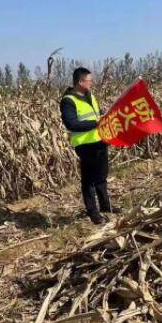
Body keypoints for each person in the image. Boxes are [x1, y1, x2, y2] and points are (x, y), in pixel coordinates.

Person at [59, 67, 121, 224]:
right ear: (80, 82)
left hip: (100, 141)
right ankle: (93, 212)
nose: (91, 83)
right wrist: (95, 123)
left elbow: (97, 114)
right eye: (89, 80)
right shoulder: (68, 101)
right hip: (85, 145)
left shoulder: (90, 96)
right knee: (89, 181)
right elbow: (71, 124)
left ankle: (106, 206)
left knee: (102, 176)